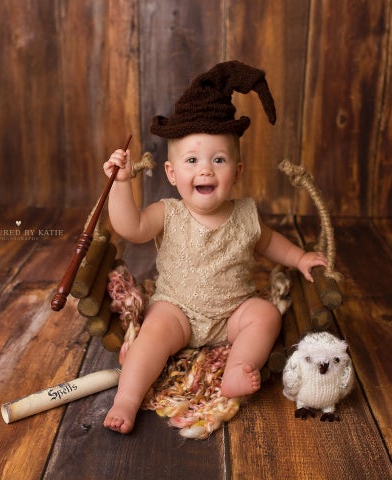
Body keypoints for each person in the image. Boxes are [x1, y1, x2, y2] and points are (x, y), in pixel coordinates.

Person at [103, 61, 327, 434]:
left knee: (266, 315)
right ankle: (127, 398)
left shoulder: (245, 214)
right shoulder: (168, 213)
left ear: (236, 171)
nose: (205, 170)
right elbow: (131, 228)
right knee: (150, 339)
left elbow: (270, 243)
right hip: (177, 310)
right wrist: (122, 183)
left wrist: (301, 257)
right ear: (173, 175)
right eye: (192, 161)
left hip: (232, 312)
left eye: (218, 160)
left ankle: (237, 368)